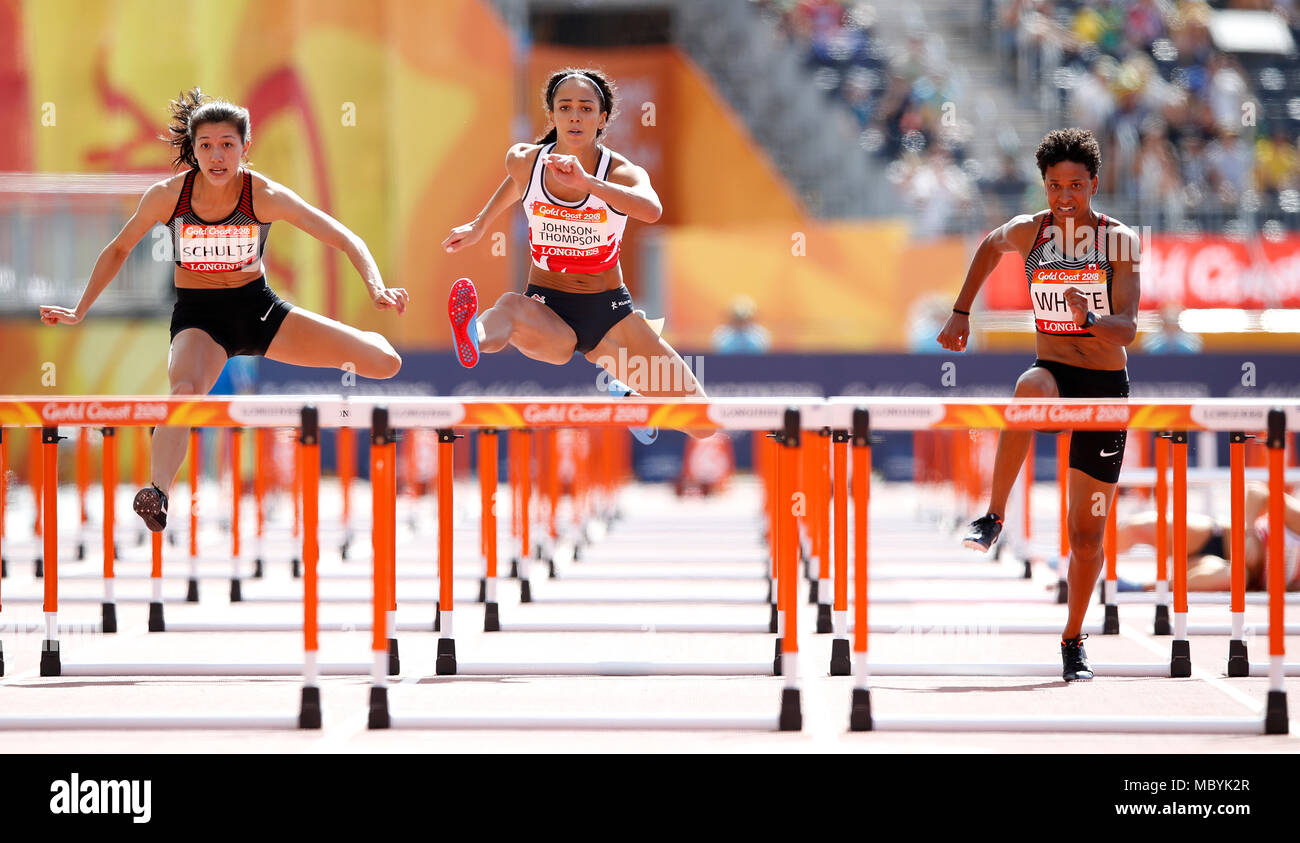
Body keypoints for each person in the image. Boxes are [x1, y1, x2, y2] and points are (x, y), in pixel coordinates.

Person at [39, 88, 407, 532]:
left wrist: (377, 287)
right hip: (201, 319)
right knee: (185, 391)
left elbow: (346, 238)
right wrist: (80, 310)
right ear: (193, 150)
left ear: (245, 148)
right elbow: (118, 250)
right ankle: (157, 492)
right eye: (206, 146)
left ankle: (370, 341)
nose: (216, 156)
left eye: (227, 145)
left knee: (385, 364)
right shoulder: (166, 197)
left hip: (260, 313)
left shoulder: (263, 194)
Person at [937, 127, 1142, 682]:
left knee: (1085, 538)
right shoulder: (1031, 231)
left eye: (1076, 185)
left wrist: (1091, 318)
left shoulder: (1118, 241)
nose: (1065, 196)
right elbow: (987, 246)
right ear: (1044, 186)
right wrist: (961, 311)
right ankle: (994, 514)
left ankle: (1073, 638)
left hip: (1103, 390)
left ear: (1094, 184)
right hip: (1053, 374)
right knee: (1028, 387)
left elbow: (1128, 331)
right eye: (1055, 185)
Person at [441, 68, 705, 444]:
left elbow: (651, 210)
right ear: (552, 116)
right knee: (510, 309)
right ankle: (473, 335)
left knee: (703, 425)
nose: (575, 116)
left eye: (585, 108)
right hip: (547, 309)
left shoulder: (620, 172)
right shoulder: (524, 161)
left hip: (609, 315)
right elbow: (517, 184)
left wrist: (588, 184)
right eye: (565, 108)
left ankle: (626, 392)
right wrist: (480, 225)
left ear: (602, 118)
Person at [1116, 483, 1300, 593]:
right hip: (1216, 537)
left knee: (1236, 577)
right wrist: (1249, 533)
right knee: (1139, 528)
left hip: (1230, 572)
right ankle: (1092, 560)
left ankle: (1141, 588)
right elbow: (1256, 492)